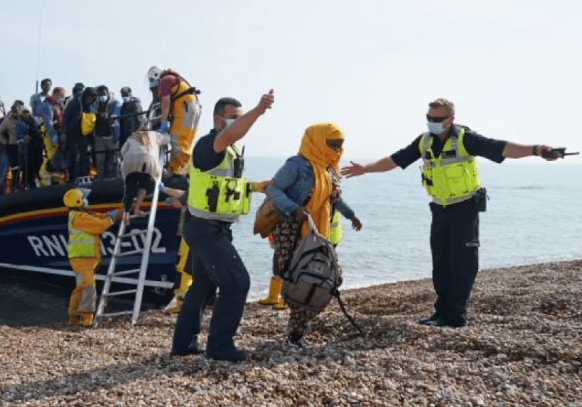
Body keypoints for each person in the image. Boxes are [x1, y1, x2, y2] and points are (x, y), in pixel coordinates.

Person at [341, 98, 560, 328]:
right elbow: (395, 160)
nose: (432, 123)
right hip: (439, 209)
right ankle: (441, 312)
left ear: (450, 119)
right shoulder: (424, 142)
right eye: (429, 118)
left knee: (462, 262)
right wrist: (365, 169)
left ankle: (455, 315)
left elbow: (502, 148)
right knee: (441, 262)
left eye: (437, 119)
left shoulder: (466, 139)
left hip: (465, 208)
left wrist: (537, 150)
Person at [171, 90, 275, 362]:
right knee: (238, 283)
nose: (238, 123)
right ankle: (220, 347)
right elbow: (231, 135)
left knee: (202, 288)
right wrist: (259, 110)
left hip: (209, 228)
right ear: (219, 120)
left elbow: (224, 187)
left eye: (240, 118)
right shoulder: (210, 145)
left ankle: (183, 345)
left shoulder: (227, 151)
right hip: (206, 230)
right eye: (234, 118)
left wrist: (257, 186)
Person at [262, 123, 345, 347]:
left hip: (319, 231)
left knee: (320, 279)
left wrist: (351, 215)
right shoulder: (297, 165)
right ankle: (295, 333)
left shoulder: (329, 168)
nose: (338, 149)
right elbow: (273, 188)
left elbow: (333, 199)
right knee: (296, 277)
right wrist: (294, 208)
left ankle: (297, 329)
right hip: (291, 229)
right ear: (317, 141)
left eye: (340, 144)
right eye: (333, 144)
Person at [63, 188, 120, 327]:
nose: (86, 200)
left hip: (83, 258)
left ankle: (73, 317)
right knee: (89, 286)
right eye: (83, 198)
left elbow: (98, 217)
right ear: (78, 201)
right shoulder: (78, 217)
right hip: (82, 258)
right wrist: (111, 218)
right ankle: (87, 317)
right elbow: (99, 225)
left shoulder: (80, 215)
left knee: (81, 287)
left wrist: (117, 212)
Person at [147, 66, 201, 175]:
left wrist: (163, 122)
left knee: (176, 139)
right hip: (193, 108)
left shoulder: (165, 80)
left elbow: (165, 103)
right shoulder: (174, 79)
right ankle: (177, 170)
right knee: (184, 142)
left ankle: (185, 171)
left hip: (185, 108)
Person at [119, 122, 170, 220]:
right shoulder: (154, 135)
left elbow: (122, 151)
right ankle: (137, 208)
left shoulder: (131, 137)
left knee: (130, 187)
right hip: (148, 161)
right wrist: (164, 132)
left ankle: (126, 213)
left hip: (130, 160)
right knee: (146, 184)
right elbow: (167, 139)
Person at [61, 87, 97, 180]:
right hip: (72, 134)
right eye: (89, 98)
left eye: (92, 98)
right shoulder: (74, 103)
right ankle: (74, 178)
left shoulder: (91, 106)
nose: (90, 100)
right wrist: (63, 133)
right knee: (74, 156)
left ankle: (84, 176)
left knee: (84, 156)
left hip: (84, 135)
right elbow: (66, 118)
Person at [39, 87, 67, 185]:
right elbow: (48, 122)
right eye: (62, 96)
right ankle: (44, 180)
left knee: (56, 158)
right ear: (55, 94)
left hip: (58, 134)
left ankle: (55, 180)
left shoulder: (59, 105)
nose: (63, 98)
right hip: (50, 135)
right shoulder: (47, 106)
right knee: (50, 157)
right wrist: (53, 135)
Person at [93, 85, 122, 179]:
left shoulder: (115, 102)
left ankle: (120, 177)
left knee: (118, 158)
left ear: (108, 93)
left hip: (111, 137)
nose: (102, 96)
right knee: (100, 160)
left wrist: (110, 115)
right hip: (99, 137)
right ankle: (100, 179)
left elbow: (116, 113)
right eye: (99, 94)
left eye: (103, 94)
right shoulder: (95, 104)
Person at [0, 107, 20, 194]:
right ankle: (0, 194)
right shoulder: (7, 120)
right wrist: (5, 143)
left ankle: (17, 189)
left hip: (22, 147)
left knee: (19, 169)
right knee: (6, 171)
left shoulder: (24, 118)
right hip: (11, 147)